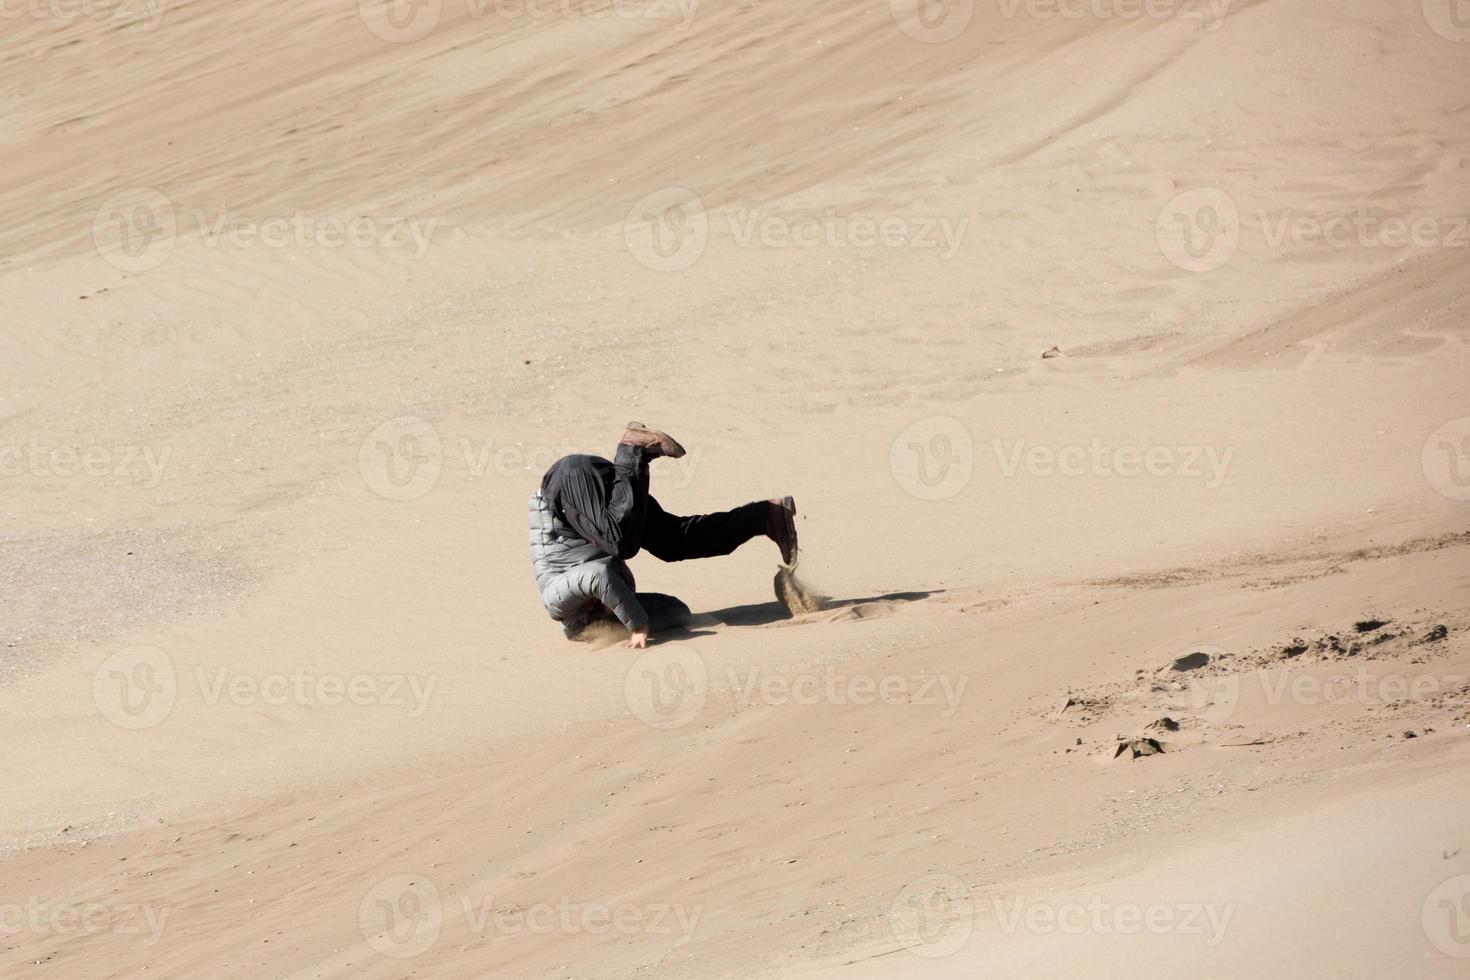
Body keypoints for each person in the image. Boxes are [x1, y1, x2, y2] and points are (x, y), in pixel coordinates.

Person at [529, 422, 798, 648]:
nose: (614, 606)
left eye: (611, 609)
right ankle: (766, 516)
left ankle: (632, 450)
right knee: (675, 542)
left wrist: (637, 625)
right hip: (602, 508)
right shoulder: (605, 594)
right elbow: (676, 611)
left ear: (589, 610)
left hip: (568, 484)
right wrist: (633, 621)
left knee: (619, 542)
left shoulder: (559, 601)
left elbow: (600, 577)